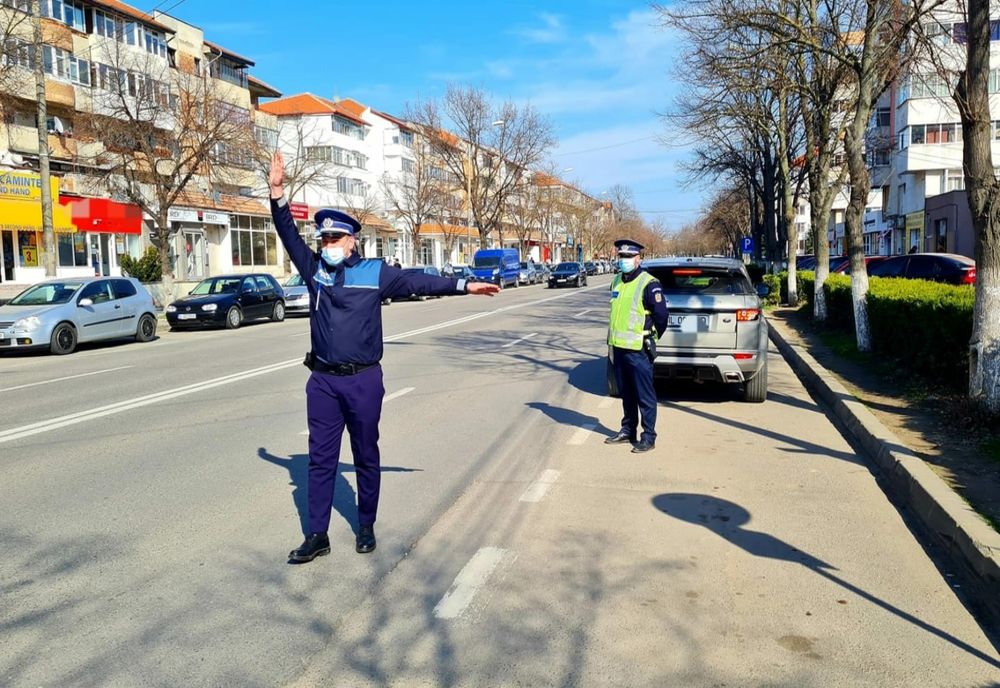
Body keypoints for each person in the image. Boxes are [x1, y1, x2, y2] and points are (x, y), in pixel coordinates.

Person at [268, 151, 500, 563]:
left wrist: (465, 285)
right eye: (322, 239)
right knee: (320, 461)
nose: (327, 246)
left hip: (363, 381)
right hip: (322, 381)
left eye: (334, 239)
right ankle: (317, 534)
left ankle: (366, 525)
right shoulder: (315, 271)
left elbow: (417, 281)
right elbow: (287, 233)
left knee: (364, 454)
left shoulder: (374, 272)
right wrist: (277, 193)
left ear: (351, 240)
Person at [604, 239, 669, 454]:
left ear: (638, 259)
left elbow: (661, 316)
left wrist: (652, 337)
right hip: (619, 348)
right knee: (627, 393)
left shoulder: (649, 283)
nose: (624, 261)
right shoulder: (616, 281)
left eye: (628, 257)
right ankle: (628, 430)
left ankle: (648, 436)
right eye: (621, 257)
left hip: (638, 349)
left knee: (644, 395)